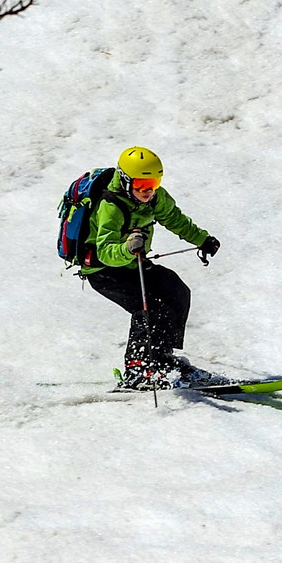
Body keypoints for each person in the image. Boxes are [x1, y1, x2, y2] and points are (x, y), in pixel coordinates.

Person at [80, 145, 220, 388]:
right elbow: (105, 252)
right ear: (125, 180)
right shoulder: (111, 206)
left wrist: (202, 239)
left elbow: (175, 220)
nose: (148, 191)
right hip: (104, 270)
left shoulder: (156, 197)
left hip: (133, 263)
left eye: (153, 183)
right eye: (141, 185)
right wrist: (127, 248)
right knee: (150, 307)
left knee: (175, 291)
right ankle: (138, 369)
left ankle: (161, 360)